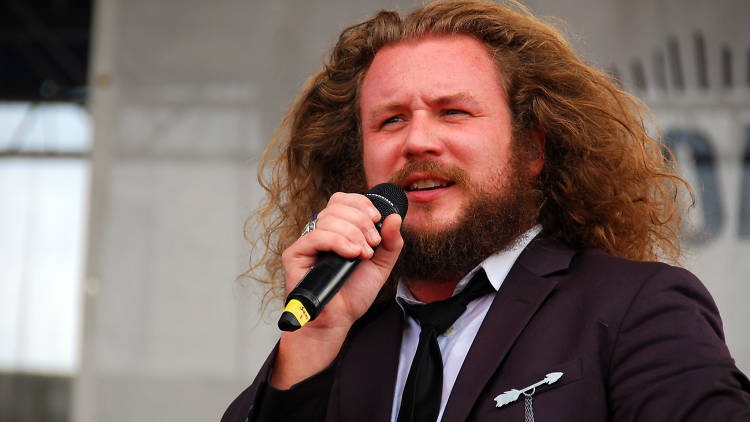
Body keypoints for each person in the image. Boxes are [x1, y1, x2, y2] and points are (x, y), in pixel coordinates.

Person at [223, 1, 750, 421]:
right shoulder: (330, 337)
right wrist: (313, 343)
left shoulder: (638, 306)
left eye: (453, 112)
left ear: (532, 150)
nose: (418, 141)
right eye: (389, 121)